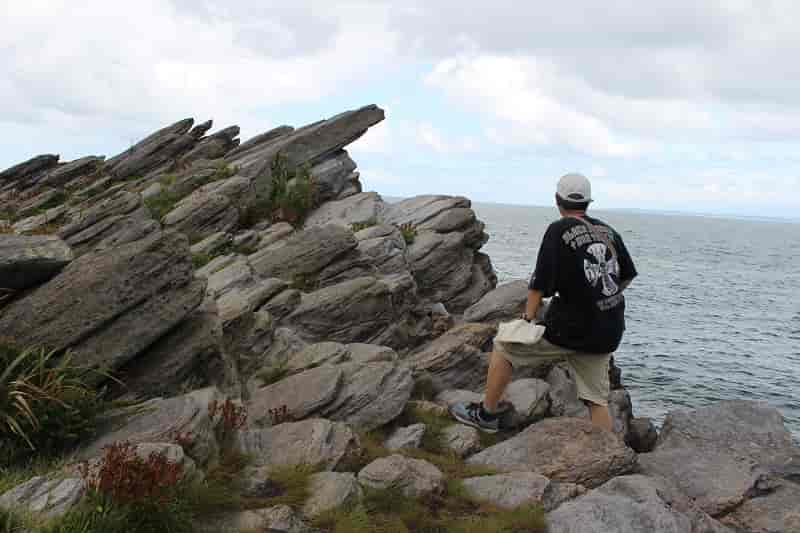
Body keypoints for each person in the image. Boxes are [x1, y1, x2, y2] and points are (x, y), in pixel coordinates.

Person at [450, 173, 637, 433]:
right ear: (588, 202)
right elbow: (626, 276)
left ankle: (487, 414)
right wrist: (598, 297)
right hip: (608, 327)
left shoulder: (558, 230)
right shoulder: (608, 231)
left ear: (557, 200)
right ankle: (610, 454)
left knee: (504, 346)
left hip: (572, 328)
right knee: (596, 399)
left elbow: (539, 283)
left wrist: (527, 319)